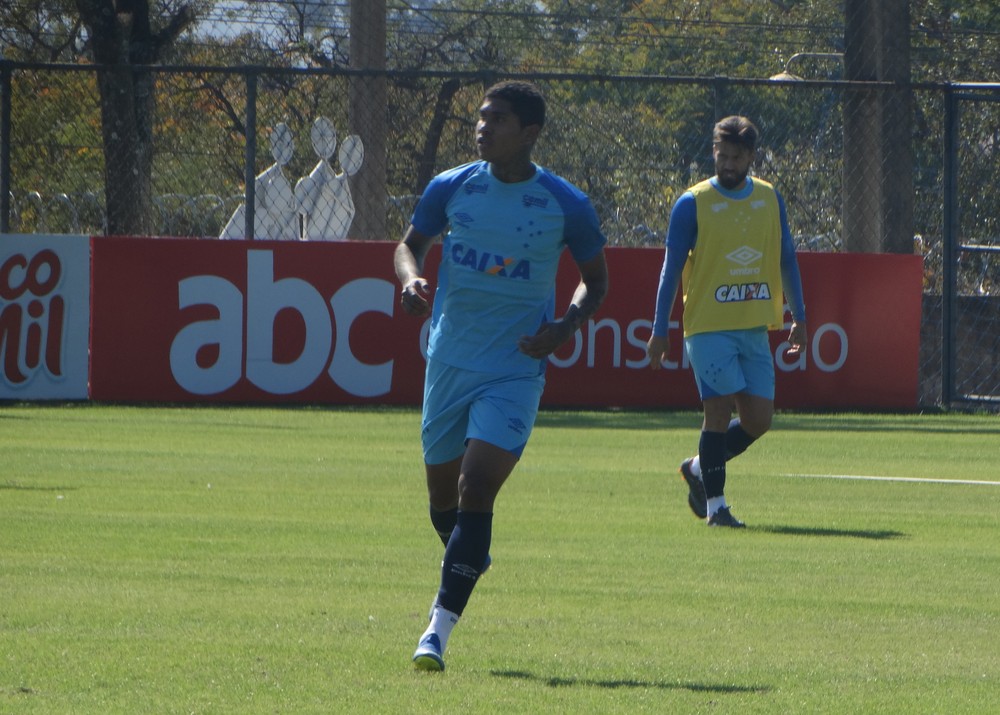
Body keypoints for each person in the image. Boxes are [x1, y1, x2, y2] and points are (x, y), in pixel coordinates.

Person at [394, 80, 609, 671]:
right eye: (480, 119)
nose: (482, 127)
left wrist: (564, 326)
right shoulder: (452, 186)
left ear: (530, 133)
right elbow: (408, 245)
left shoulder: (565, 203)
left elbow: (597, 279)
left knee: (475, 488)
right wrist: (410, 278)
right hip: (450, 360)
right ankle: (468, 553)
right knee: (444, 502)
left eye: (498, 120)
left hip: (515, 367)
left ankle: (435, 632)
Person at [646, 115, 807, 528]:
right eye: (722, 155)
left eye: (736, 157)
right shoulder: (693, 203)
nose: (728, 164)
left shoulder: (769, 198)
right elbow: (670, 270)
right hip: (708, 327)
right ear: (713, 153)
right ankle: (717, 509)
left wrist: (800, 317)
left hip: (753, 326)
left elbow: (787, 257)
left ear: (751, 156)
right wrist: (660, 328)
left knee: (759, 421)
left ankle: (699, 468)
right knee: (716, 413)